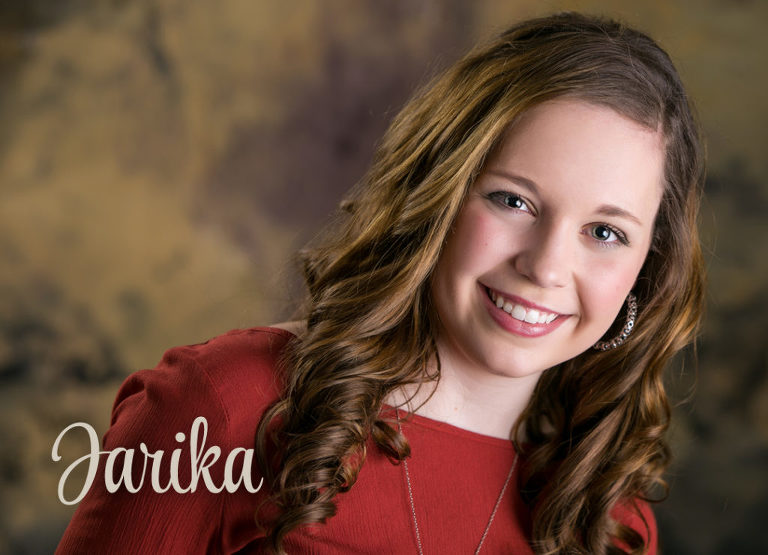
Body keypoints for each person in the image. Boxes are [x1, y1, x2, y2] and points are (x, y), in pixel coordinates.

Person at [57, 11, 705, 555]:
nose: (545, 266)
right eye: (514, 201)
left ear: (647, 267)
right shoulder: (219, 407)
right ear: (437, 193)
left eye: (606, 232)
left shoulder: (607, 518)